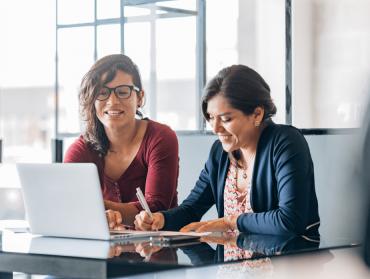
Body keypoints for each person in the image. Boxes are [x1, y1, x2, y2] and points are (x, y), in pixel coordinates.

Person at [135, 64, 320, 236]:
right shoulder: (220, 152)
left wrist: (230, 222)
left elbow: (289, 220)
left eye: (226, 119)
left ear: (257, 113)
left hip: (286, 267)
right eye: (211, 117)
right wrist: (161, 219)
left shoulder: (286, 143)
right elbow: (192, 209)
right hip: (229, 267)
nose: (215, 129)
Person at [64, 54, 179, 229]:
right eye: (102, 93)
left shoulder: (161, 138)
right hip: (103, 251)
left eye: (123, 92)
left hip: (157, 249)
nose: (112, 101)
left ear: (139, 98)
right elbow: (68, 204)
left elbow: (154, 207)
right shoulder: (80, 150)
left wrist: (96, 210)